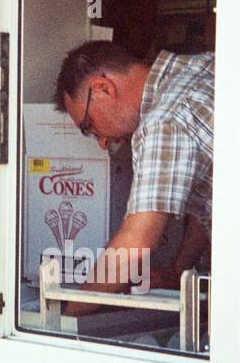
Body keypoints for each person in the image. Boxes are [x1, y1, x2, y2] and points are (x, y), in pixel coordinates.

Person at [54, 40, 213, 307]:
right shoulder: (201, 68)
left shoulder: (163, 122)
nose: (102, 142)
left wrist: (67, 323)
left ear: (102, 88)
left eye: (89, 126)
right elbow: (209, 194)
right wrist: (179, 269)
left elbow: (135, 245)